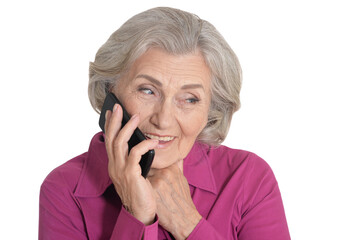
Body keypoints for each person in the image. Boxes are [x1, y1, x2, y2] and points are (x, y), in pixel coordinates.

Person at [39, 7, 290, 240]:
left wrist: (187, 223)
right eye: (147, 91)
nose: (163, 119)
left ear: (211, 110)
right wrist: (137, 215)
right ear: (110, 90)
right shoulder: (64, 189)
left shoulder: (249, 179)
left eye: (190, 99)